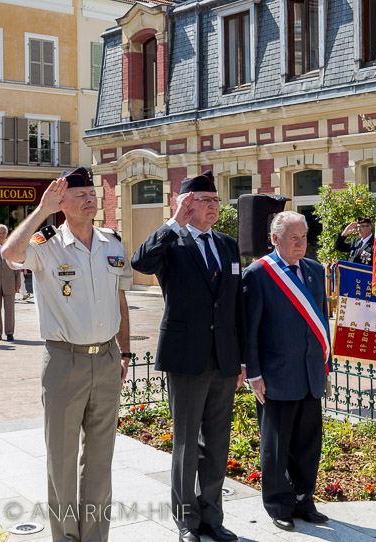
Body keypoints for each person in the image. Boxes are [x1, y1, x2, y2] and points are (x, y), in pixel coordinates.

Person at [1, 167, 132, 542]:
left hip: (106, 360)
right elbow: (11, 253)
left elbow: (120, 300)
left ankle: (94, 536)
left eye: (92, 193)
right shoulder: (45, 244)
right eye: (81, 195)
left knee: (101, 459)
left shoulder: (112, 243)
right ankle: (66, 538)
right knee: (61, 459)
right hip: (64, 360)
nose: (90, 200)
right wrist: (42, 211)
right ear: (62, 202)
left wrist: (124, 352)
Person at [131, 171, 246, 542]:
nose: (213, 206)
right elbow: (140, 262)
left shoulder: (227, 245)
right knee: (185, 444)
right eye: (204, 201)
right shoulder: (172, 242)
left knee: (217, 441)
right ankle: (186, 520)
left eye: (215, 200)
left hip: (223, 358)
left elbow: (236, 305)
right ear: (186, 204)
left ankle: (212, 517)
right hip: (185, 356)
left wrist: (242, 359)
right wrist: (174, 221)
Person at [242, 211, 330, 531]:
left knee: (308, 444)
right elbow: (249, 329)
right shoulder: (258, 273)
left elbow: (322, 321)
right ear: (275, 239)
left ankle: (305, 500)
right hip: (276, 375)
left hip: (310, 373)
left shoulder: (315, 270)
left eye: (303, 237)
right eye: (293, 238)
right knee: (276, 446)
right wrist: (254, 374)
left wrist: (326, 365)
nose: (300, 243)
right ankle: (279, 504)